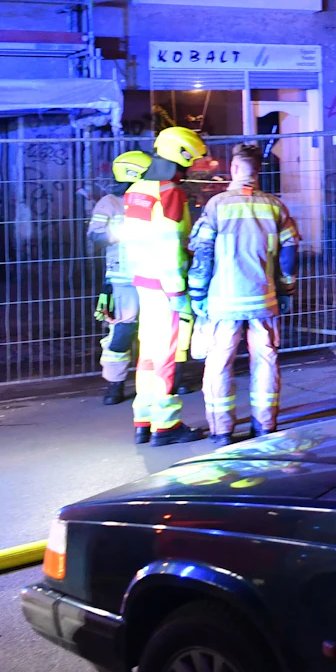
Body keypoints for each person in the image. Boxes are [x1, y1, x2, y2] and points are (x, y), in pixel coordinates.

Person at [189, 144, 300, 446]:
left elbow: (203, 254)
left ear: (234, 170)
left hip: (223, 302)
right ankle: (264, 427)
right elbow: (288, 255)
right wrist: (286, 289)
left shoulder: (216, 206)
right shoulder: (275, 207)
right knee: (265, 361)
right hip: (264, 299)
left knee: (219, 364)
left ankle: (222, 431)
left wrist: (197, 294)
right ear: (258, 172)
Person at [124, 125, 209, 446]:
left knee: (147, 352)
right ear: (180, 156)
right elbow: (172, 243)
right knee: (167, 356)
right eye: (188, 163)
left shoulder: (136, 188)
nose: (188, 170)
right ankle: (166, 425)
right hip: (166, 286)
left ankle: (143, 418)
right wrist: (178, 291)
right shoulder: (170, 193)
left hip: (143, 280)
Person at [89, 150, 152, 406]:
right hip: (123, 278)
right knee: (123, 330)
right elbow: (95, 237)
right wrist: (123, 231)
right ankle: (115, 384)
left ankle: (164, 381)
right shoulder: (110, 203)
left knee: (157, 331)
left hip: (153, 274)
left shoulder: (151, 200)